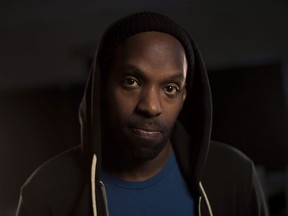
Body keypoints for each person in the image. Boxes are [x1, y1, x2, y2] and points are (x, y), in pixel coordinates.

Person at [16, 11, 268, 216]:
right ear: (101, 89)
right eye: (131, 81)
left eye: (170, 88)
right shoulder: (47, 191)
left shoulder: (234, 175)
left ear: (183, 98)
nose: (151, 106)